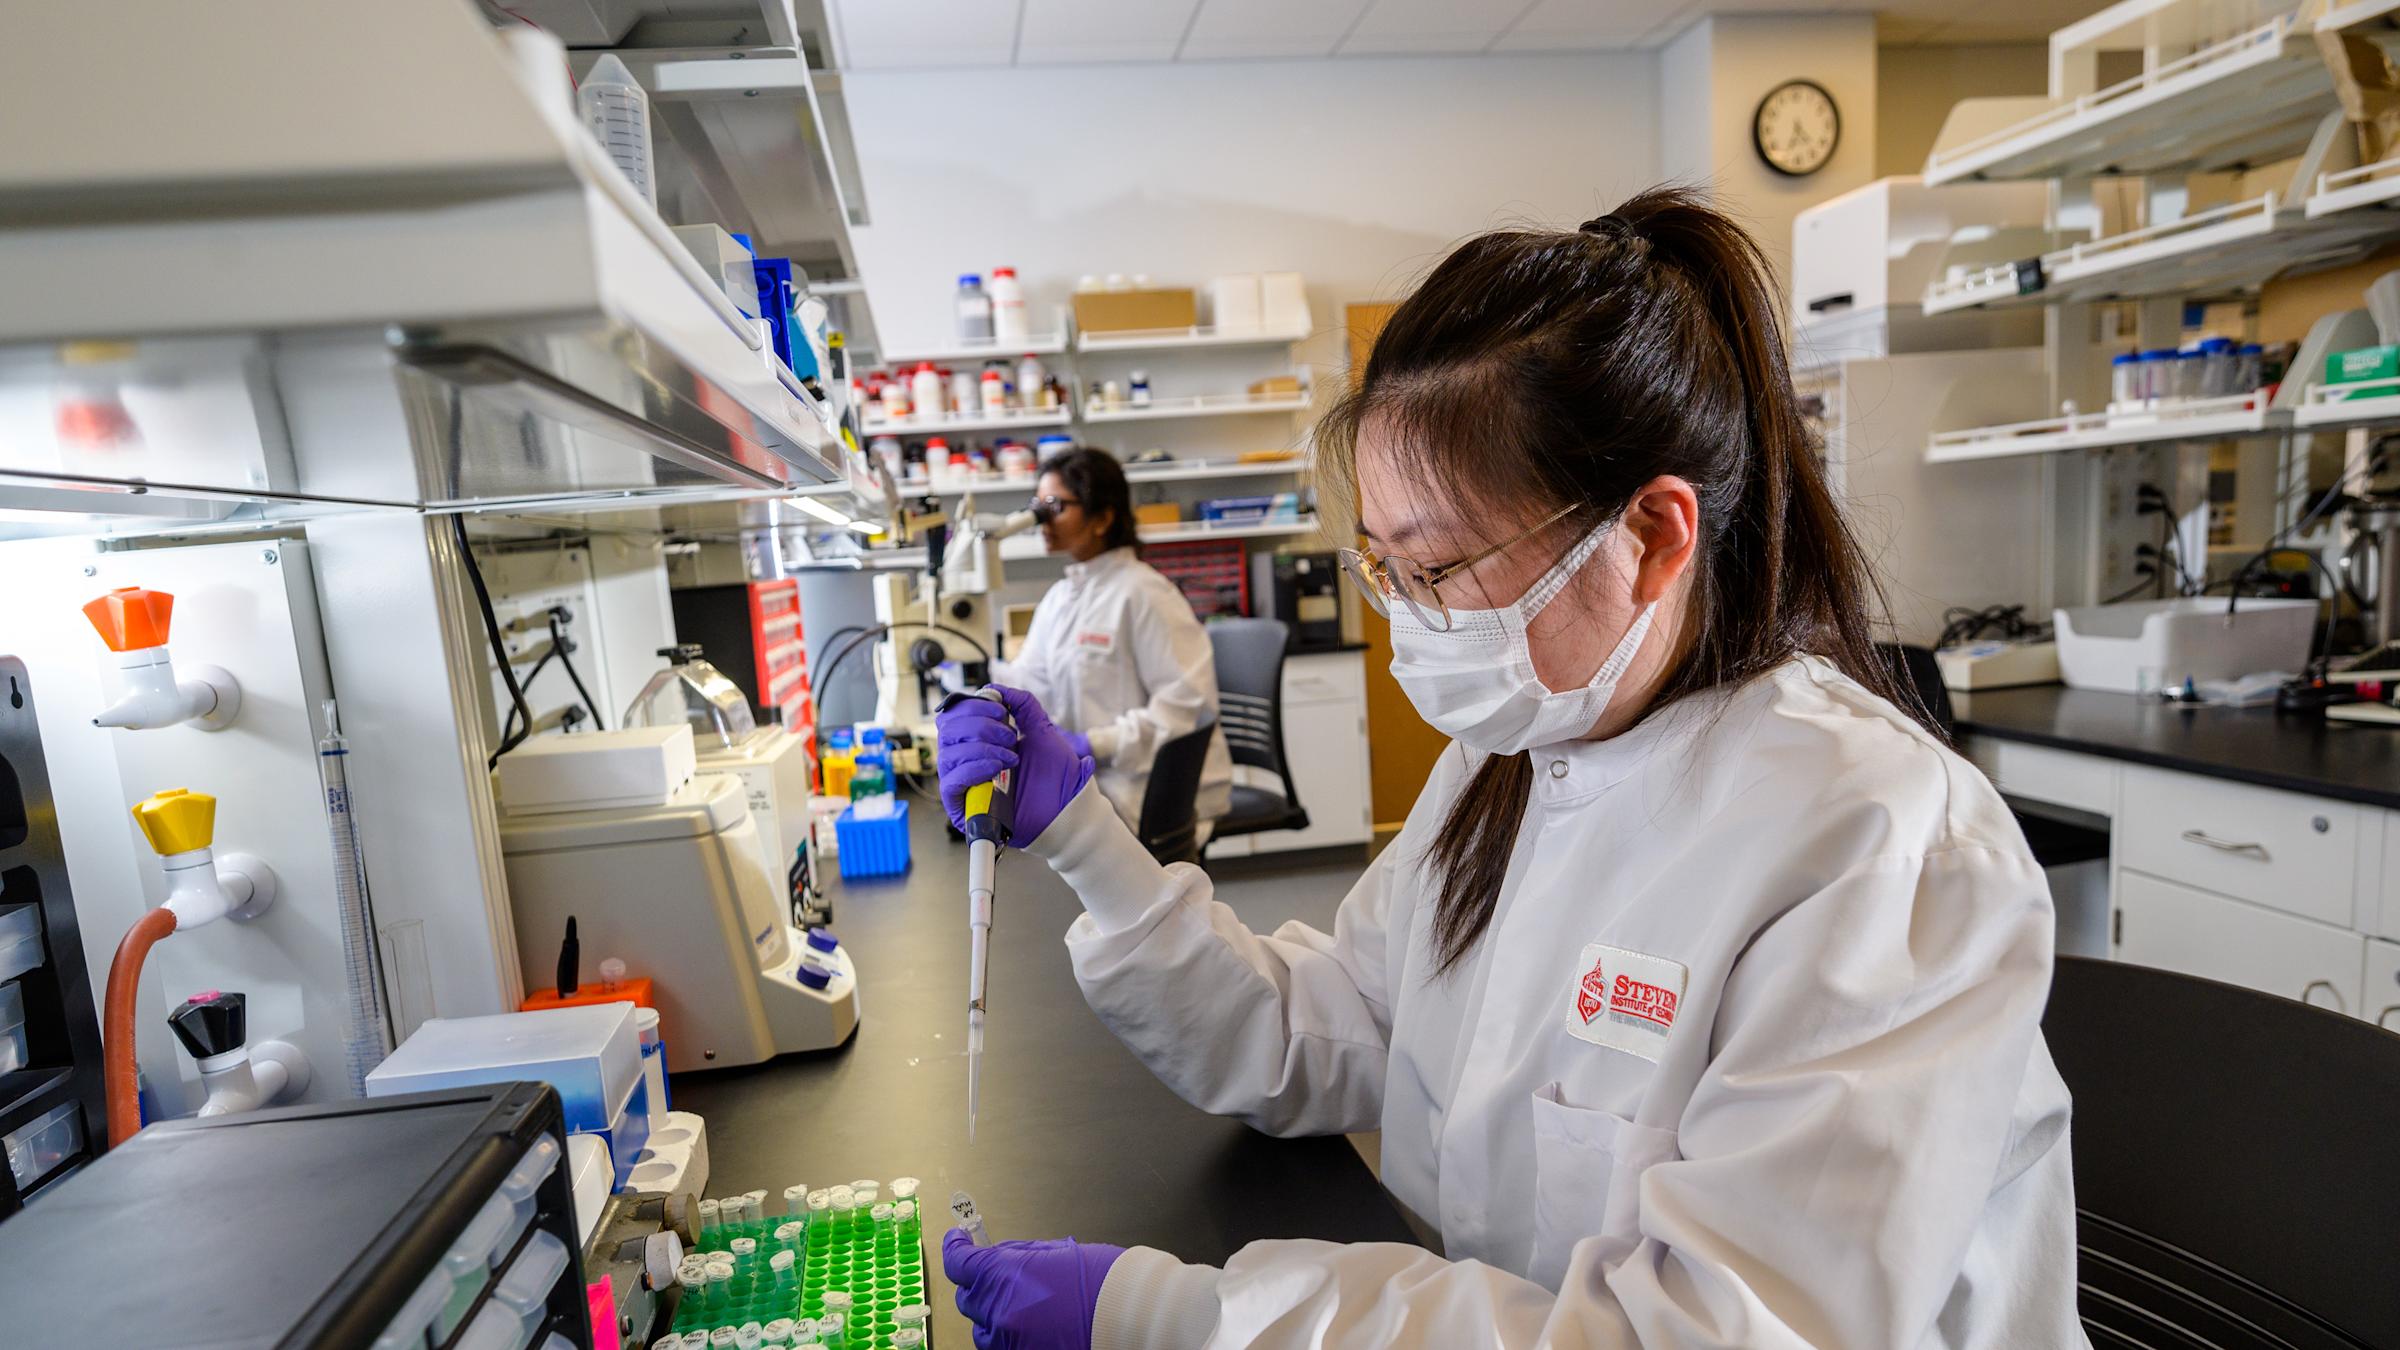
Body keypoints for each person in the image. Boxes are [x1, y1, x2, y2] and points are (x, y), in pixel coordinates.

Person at [934, 188, 2086, 1349]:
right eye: (1382, 563)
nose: (1407, 617)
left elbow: (1704, 1334)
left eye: (1436, 568)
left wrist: (1195, 1320)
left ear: (1653, 536)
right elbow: (1324, 1028)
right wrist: (1084, 840)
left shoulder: (1876, 847)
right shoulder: (1517, 753)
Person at [993, 445, 1231, 832]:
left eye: (1053, 506)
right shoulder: (1059, 598)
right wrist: (979, 687)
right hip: (1086, 790)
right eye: (1036, 506)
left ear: (1102, 518)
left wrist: (1095, 744)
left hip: (1141, 794)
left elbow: (1184, 710)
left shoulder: (1146, 594)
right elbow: (1030, 684)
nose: (1040, 520)